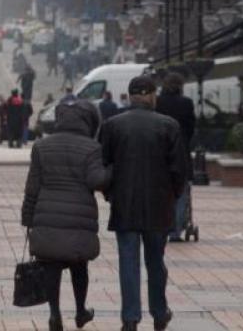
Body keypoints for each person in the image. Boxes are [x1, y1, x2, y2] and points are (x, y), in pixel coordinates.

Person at [101, 75, 187, 331]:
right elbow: (179, 170)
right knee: (155, 262)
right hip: (159, 205)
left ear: (129, 97)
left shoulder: (112, 125)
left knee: (128, 262)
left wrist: (110, 194)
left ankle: (130, 317)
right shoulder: (169, 126)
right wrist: (173, 197)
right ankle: (159, 312)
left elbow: (104, 165)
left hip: (124, 204)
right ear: (152, 95)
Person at [22, 99, 110, 331]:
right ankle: (80, 311)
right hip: (79, 216)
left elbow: (33, 185)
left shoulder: (42, 146)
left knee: (50, 266)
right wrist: (112, 170)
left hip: (47, 213)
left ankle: (54, 314)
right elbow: (96, 180)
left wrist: (28, 217)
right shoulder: (92, 148)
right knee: (79, 266)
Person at [154, 73, 195, 243]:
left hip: (159, 154)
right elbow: (191, 128)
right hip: (181, 152)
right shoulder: (186, 103)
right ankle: (176, 231)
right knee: (180, 193)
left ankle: (162, 227)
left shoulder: (157, 103)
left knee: (161, 193)